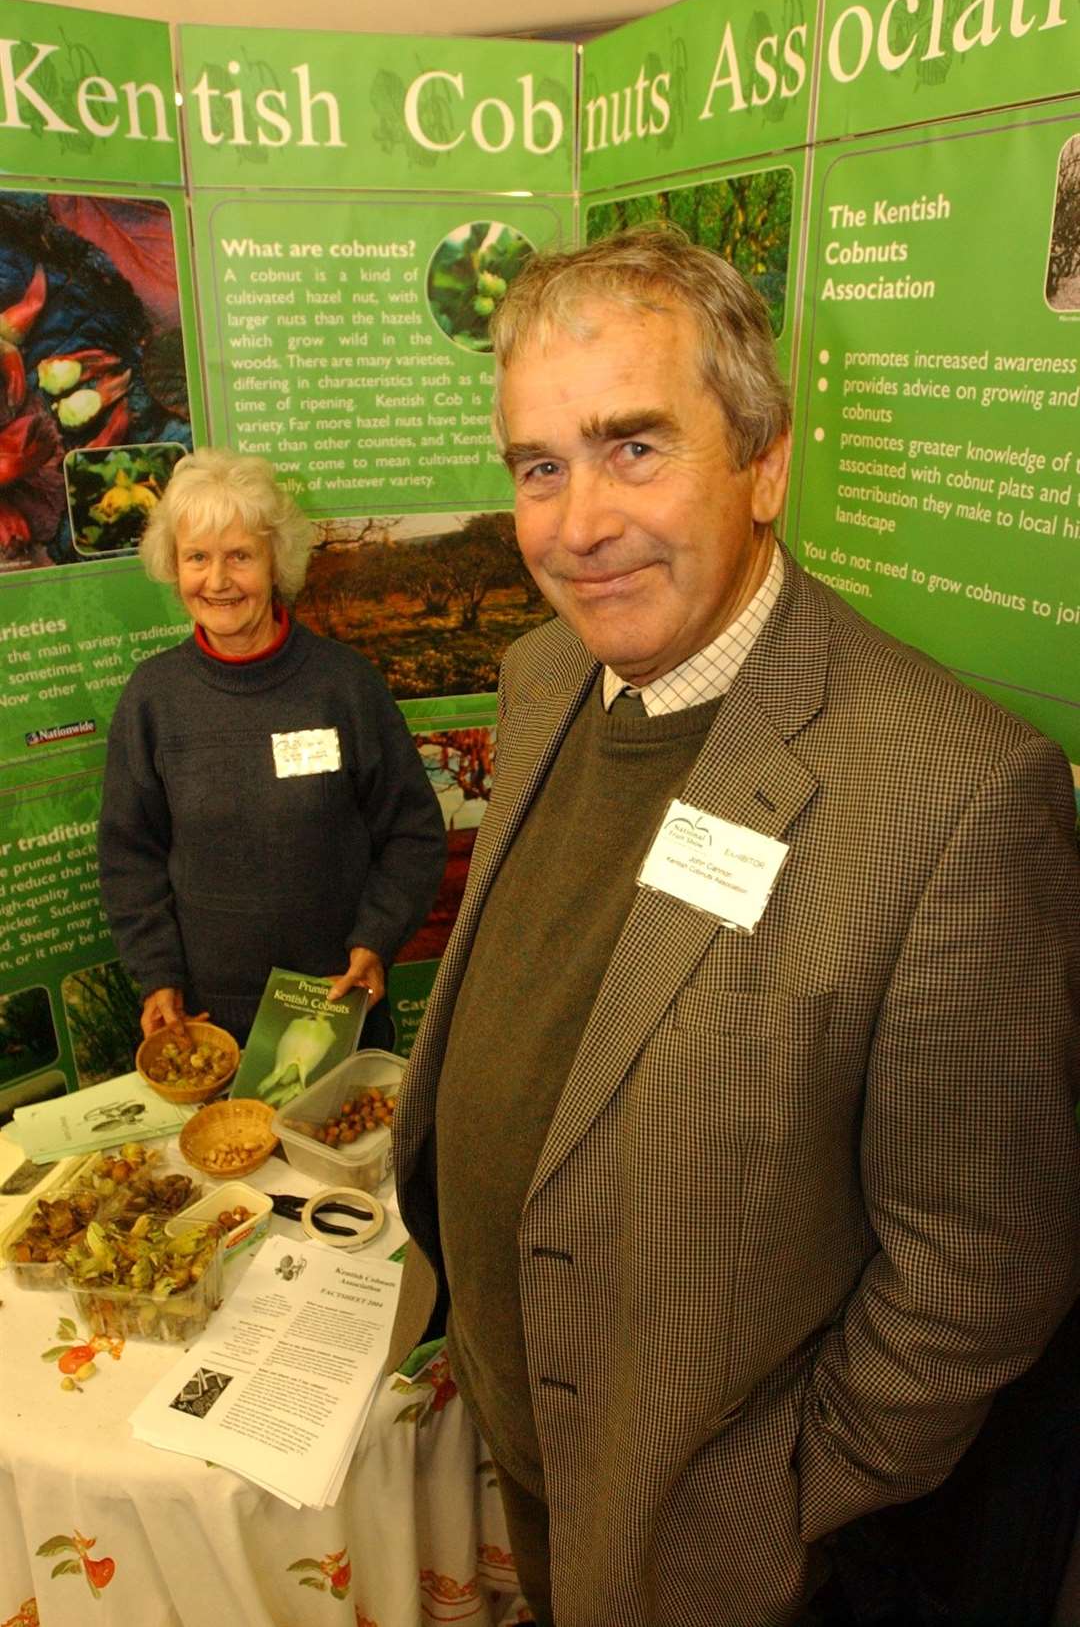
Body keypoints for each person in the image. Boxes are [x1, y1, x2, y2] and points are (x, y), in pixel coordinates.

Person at [386, 226, 1080, 1626]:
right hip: (537, 1456)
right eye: (540, 465)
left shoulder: (958, 792)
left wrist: (788, 1495)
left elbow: (981, 1260)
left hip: (729, 1547)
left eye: (635, 447)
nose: (577, 524)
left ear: (765, 461)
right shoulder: (541, 679)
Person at [98, 447, 446, 1050]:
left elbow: (413, 831)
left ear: (276, 561)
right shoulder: (152, 698)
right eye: (197, 558)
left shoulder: (344, 685)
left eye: (240, 556)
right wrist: (157, 976)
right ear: (172, 566)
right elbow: (131, 855)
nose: (218, 580)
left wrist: (375, 941)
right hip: (206, 1027)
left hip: (336, 1011)